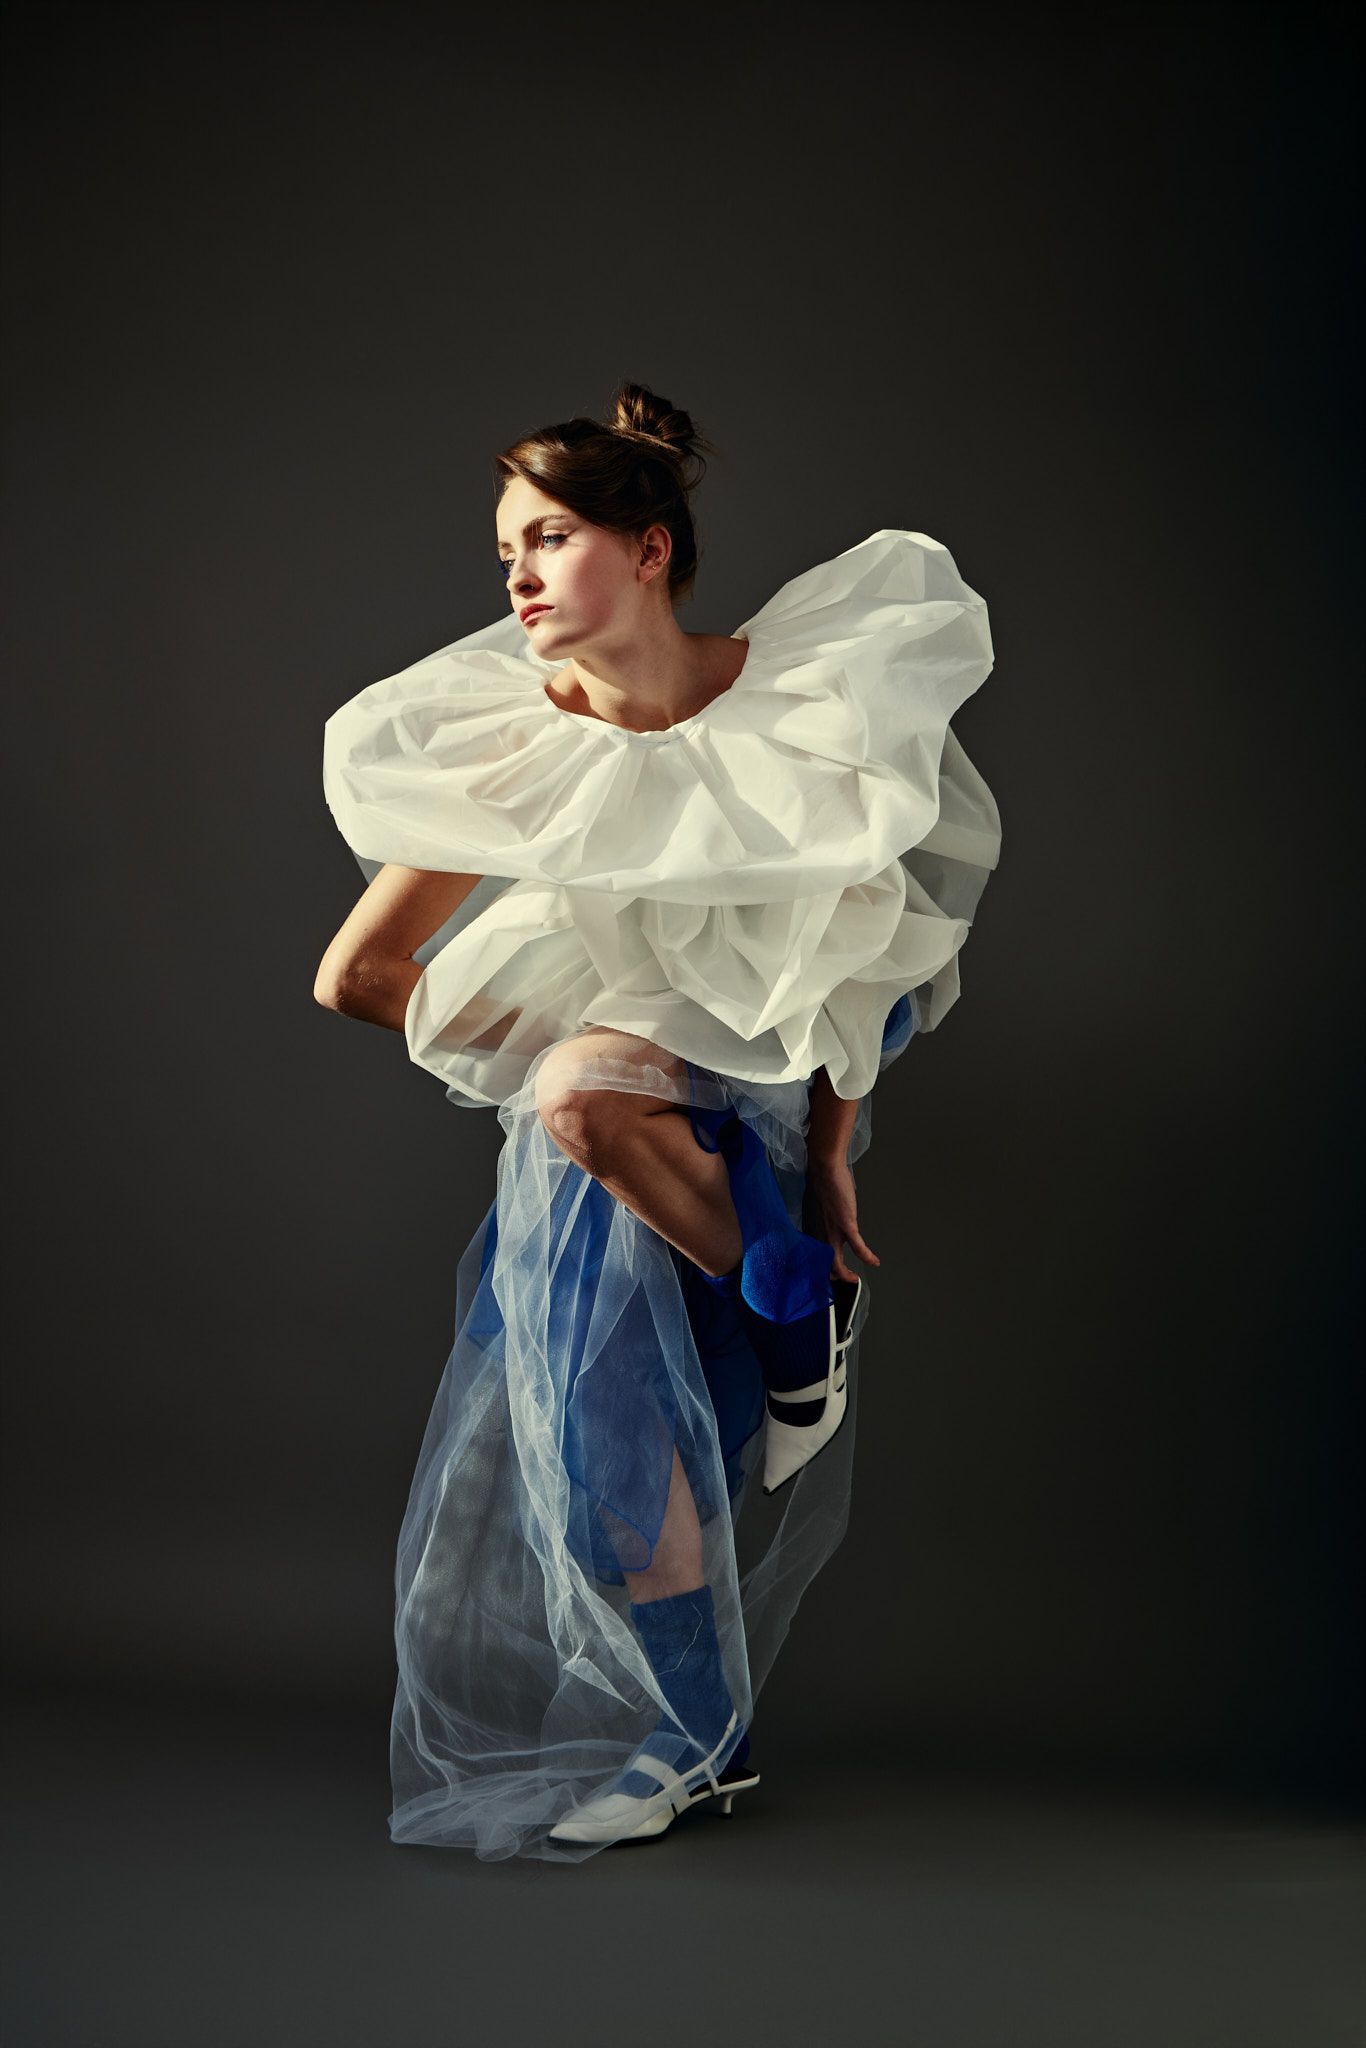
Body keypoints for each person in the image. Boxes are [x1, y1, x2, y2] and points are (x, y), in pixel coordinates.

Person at [315, 380, 1001, 1863]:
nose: (514, 574)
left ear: (649, 549)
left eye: (547, 537)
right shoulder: (523, 750)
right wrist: (586, 1048)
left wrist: (824, 1152)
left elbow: (868, 945)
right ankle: (702, 1742)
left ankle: (783, 1292)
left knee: (582, 1096)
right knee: (601, 1433)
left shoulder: (797, 702)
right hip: (620, 1108)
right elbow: (359, 978)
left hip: (773, 1065)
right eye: (503, 547)